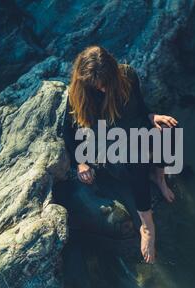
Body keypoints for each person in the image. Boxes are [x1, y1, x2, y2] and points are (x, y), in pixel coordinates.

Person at [63, 46, 178, 264]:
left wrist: (153, 116)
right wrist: (81, 163)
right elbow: (68, 131)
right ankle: (147, 225)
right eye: (98, 85)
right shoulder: (80, 94)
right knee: (137, 157)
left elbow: (140, 109)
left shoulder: (128, 76)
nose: (103, 89)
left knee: (171, 128)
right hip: (110, 148)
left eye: (106, 82)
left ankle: (159, 177)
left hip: (135, 134)